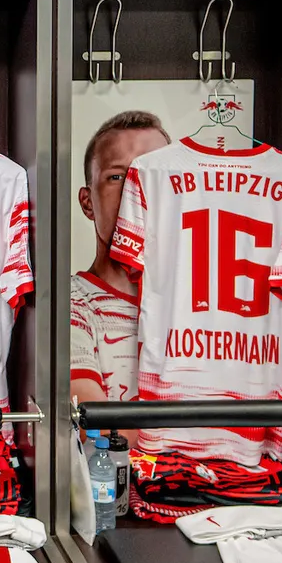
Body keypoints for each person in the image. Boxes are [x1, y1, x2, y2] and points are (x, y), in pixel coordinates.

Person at [70, 112, 170, 427]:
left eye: (155, 175)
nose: (137, 191)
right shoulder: (69, 303)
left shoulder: (202, 304)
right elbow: (99, 431)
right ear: (87, 202)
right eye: (118, 177)